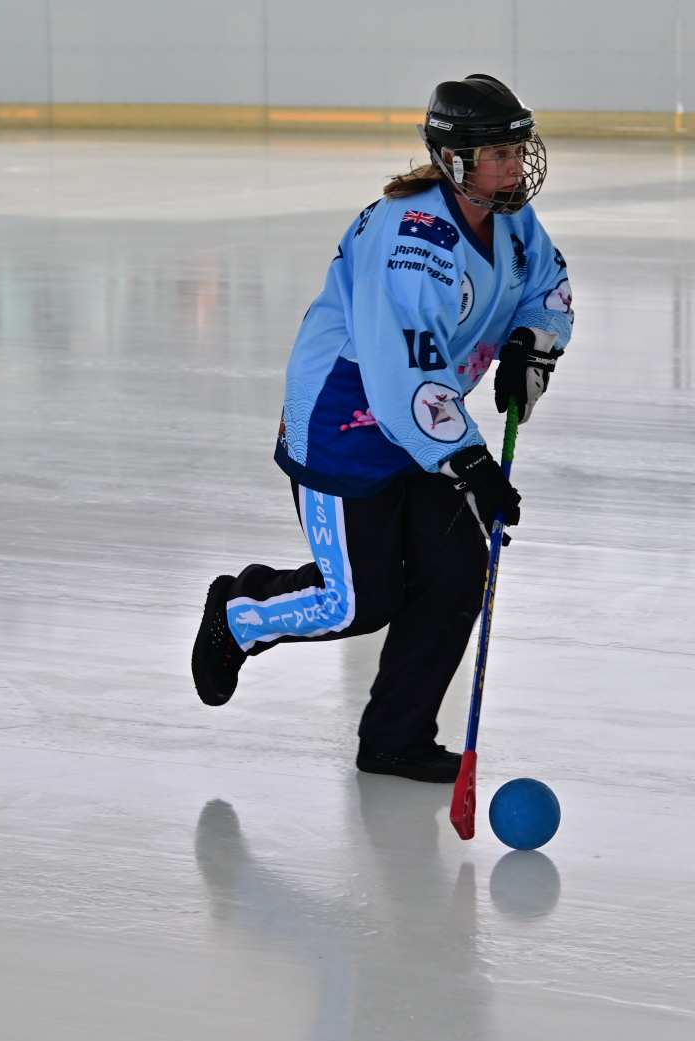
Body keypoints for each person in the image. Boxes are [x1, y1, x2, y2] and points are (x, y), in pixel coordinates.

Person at [189, 75, 574, 784]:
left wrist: (532, 343)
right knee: (359, 601)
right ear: (455, 161)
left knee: (458, 570)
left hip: (428, 422)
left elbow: (546, 287)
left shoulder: (511, 218)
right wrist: (470, 465)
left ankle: (395, 739)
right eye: (499, 154)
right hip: (350, 418)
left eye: (519, 150)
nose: (516, 167)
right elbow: (401, 375)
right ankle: (242, 613)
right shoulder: (413, 239)